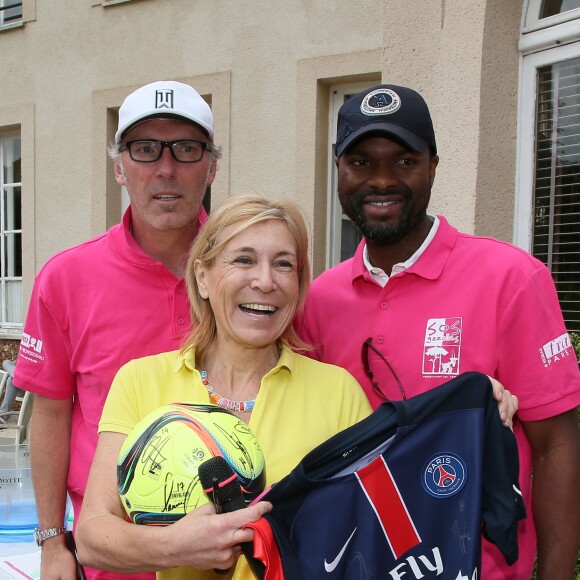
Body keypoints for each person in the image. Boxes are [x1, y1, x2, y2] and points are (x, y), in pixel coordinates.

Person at [297, 84, 580, 580]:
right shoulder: (318, 299)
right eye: (361, 162)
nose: (382, 180)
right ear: (338, 171)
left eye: (404, 161)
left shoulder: (510, 278)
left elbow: (557, 445)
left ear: (433, 165)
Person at [75, 194, 373, 579]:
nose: (266, 281)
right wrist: (174, 546)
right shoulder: (139, 381)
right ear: (203, 277)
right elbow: (91, 536)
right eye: (244, 260)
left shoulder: (339, 394)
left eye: (284, 264)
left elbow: (369, 534)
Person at [14, 80, 221, 580]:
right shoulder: (67, 279)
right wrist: (50, 542)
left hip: (227, 557)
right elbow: (51, 412)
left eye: (186, 150)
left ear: (212, 167)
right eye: (145, 150)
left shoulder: (246, 273)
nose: (166, 169)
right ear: (119, 168)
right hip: (108, 561)